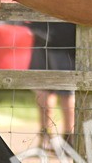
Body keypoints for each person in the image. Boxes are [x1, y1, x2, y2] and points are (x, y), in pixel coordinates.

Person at [28, 21, 76, 149]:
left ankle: (46, 137)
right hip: (64, 38)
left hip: (42, 34)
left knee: (45, 88)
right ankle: (69, 138)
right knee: (67, 90)